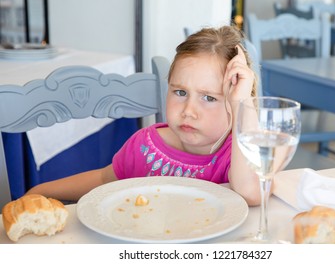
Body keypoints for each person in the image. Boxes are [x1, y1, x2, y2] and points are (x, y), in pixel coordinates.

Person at [26, 25, 261, 206]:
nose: (188, 111)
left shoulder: (240, 154)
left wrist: (242, 104)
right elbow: (103, 180)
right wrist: (42, 190)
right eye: (180, 92)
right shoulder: (145, 145)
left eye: (209, 98)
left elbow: (250, 193)